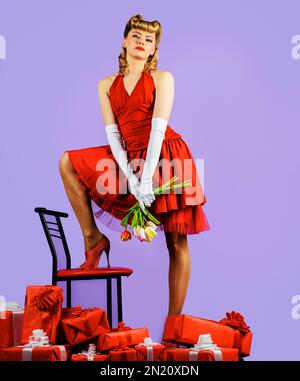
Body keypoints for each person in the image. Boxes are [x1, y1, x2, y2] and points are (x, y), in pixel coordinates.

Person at [59, 14, 210, 321]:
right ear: (124, 41)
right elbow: (113, 136)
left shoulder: (162, 78)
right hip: (129, 158)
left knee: (176, 240)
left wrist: (146, 179)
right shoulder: (105, 85)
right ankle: (93, 238)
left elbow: (157, 130)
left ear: (154, 50)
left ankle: (174, 322)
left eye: (149, 40)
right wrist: (130, 176)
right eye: (137, 37)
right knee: (67, 162)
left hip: (167, 156)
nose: (142, 43)